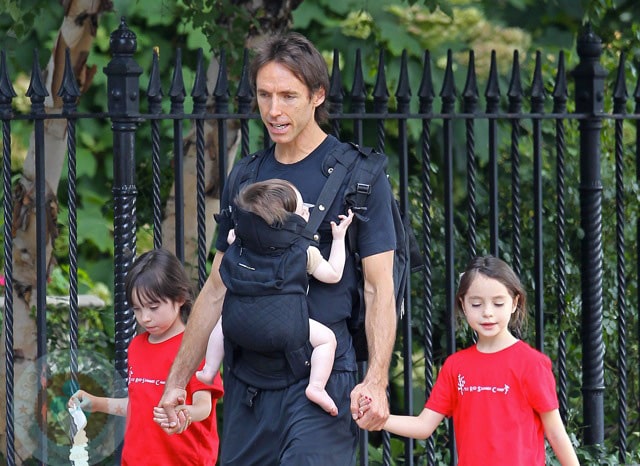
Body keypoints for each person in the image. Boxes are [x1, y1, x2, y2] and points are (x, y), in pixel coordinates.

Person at [157, 31, 397, 465]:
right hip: (249, 387)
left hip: (321, 384)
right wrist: (178, 379)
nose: (273, 110)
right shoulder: (246, 176)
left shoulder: (360, 177)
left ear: (317, 95)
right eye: (265, 95)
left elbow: (381, 288)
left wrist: (376, 379)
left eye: (288, 95)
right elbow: (215, 288)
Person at [358, 255, 580, 466]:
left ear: (514, 303)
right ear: (463, 305)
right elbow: (424, 426)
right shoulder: (456, 366)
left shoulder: (532, 363)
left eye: (498, 303)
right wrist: (379, 419)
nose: (487, 313)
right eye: (476, 304)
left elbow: (555, 432)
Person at [195, 178, 354, 416]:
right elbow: (333, 275)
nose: (307, 211)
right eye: (303, 210)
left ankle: (209, 368)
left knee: (221, 322)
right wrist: (339, 239)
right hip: (284, 326)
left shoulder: (239, 243)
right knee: (327, 340)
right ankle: (317, 387)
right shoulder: (303, 252)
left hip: (238, 323)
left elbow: (229, 240)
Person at [68, 249, 224, 466]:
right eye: (137, 309)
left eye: (153, 307)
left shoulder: (195, 348)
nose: (145, 318)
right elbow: (140, 404)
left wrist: (183, 413)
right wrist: (96, 403)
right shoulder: (136, 347)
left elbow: (203, 407)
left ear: (179, 298)